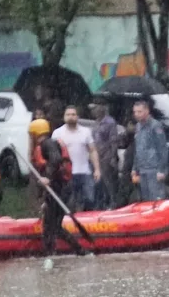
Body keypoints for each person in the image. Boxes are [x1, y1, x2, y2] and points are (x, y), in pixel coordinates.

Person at [28, 119, 88, 256]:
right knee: (53, 225)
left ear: (35, 133)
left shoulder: (47, 144)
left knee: (50, 225)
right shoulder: (49, 144)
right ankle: (78, 251)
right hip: (59, 188)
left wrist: (47, 178)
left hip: (59, 189)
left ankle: (50, 253)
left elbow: (55, 159)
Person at [52, 106, 101, 212]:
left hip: (85, 172)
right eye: (68, 115)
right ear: (64, 117)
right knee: (70, 202)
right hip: (67, 174)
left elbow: (92, 150)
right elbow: (53, 155)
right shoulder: (57, 133)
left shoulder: (86, 131)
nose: (71, 117)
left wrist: (97, 169)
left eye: (73, 114)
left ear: (77, 117)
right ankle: (70, 224)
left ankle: (88, 223)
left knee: (90, 199)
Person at [130, 100, 169, 201]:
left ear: (147, 111)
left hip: (154, 169)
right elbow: (138, 148)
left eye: (139, 112)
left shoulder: (155, 126)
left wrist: (161, 170)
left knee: (156, 200)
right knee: (145, 200)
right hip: (142, 169)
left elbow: (162, 149)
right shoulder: (138, 127)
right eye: (135, 112)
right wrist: (134, 168)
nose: (137, 114)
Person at [90, 100, 121, 210]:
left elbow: (113, 141)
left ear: (102, 108)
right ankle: (102, 203)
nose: (94, 111)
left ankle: (113, 203)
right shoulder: (96, 122)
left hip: (107, 156)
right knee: (100, 182)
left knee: (109, 182)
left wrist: (113, 157)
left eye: (96, 108)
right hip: (97, 156)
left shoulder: (110, 122)